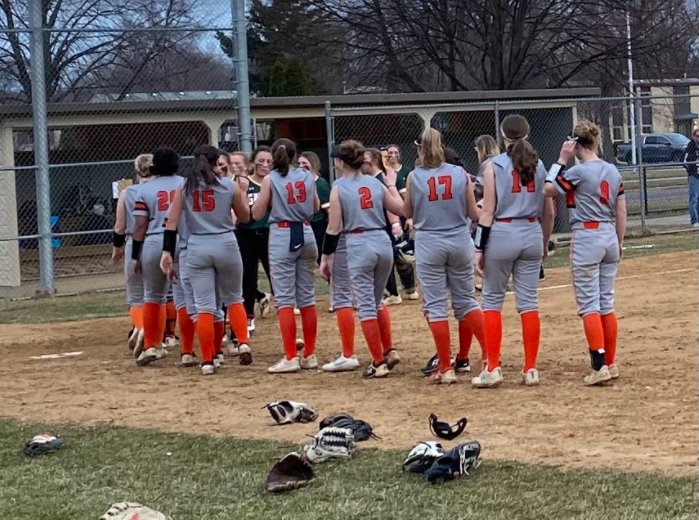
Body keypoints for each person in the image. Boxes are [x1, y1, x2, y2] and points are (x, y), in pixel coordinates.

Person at [471, 114, 555, 388]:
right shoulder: (539, 164)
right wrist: (543, 242)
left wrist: (478, 248)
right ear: (527, 134)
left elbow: (487, 212)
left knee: (493, 301)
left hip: (503, 231)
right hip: (531, 230)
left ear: (502, 135)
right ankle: (530, 368)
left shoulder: (494, 165)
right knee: (529, 303)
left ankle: (493, 367)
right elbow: (549, 210)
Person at [544, 122, 627, 385]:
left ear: (577, 145)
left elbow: (548, 189)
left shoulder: (578, 170)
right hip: (608, 234)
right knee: (606, 303)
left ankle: (598, 365)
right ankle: (610, 362)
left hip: (587, 235)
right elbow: (622, 211)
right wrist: (619, 241)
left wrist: (561, 159)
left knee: (589, 305)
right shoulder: (612, 170)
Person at [160, 145, 251, 376]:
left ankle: (208, 360)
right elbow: (244, 216)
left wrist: (167, 252)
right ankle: (242, 341)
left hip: (197, 244)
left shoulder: (185, 187)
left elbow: (171, 222)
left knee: (204, 307)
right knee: (234, 298)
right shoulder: (228, 185)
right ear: (215, 162)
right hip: (225, 241)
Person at [405, 132, 487, 384]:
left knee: (436, 306)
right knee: (466, 301)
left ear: (420, 149)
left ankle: (446, 367)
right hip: (459, 240)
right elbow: (473, 213)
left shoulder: (413, 176)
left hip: (429, 241)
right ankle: (489, 356)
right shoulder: (459, 174)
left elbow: (407, 211)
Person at [320, 140, 404, 379]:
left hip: (358, 242)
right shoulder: (375, 183)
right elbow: (399, 209)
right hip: (382, 240)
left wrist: (326, 257)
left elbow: (334, 227)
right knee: (376, 302)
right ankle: (388, 349)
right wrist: (391, 184)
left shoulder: (339, 186)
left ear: (340, 162)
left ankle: (378, 362)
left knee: (367, 305)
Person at [251, 138, 320, 373]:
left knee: (285, 300)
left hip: (283, 233)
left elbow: (256, 212)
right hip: (306, 231)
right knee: (307, 297)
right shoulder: (306, 175)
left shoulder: (271, 179)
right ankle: (309, 354)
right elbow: (315, 207)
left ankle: (290, 355)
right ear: (294, 155)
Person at [131, 147, 183, 366]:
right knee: (184, 297)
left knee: (153, 296)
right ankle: (189, 349)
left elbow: (140, 225)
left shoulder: (145, 189)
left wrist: (135, 255)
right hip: (182, 238)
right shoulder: (186, 183)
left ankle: (153, 345)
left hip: (154, 239)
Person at [363, 148, 418, 305]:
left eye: (365, 158)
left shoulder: (383, 177)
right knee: (393, 256)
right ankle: (397, 291)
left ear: (374, 160)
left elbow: (396, 202)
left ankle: (400, 290)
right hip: (386, 222)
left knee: (395, 256)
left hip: (391, 221)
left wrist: (400, 221)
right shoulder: (373, 178)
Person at [112, 154, 153, 353]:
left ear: (136, 171)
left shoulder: (127, 193)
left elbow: (119, 227)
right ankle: (160, 336)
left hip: (132, 242)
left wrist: (116, 248)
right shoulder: (162, 189)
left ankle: (141, 326)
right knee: (159, 294)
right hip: (158, 241)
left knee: (135, 295)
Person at [236, 146, 274, 335]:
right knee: (247, 277)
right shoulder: (244, 183)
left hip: (269, 234)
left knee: (274, 274)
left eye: (269, 161)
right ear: (252, 163)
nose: (264, 165)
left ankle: (285, 312)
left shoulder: (274, 182)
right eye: (260, 161)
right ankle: (248, 316)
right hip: (247, 233)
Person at [298, 152, 331, 262]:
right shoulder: (298, 183)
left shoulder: (320, 184)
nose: (301, 165)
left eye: (304, 163)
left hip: (318, 226)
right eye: (299, 163)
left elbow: (328, 210)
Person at [684, 129, 699, 227]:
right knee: (694, 198)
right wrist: (692, 169)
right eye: (697, 136)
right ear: (693, 136)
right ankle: (694, 220)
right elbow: (684, 161)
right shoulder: (690, 146)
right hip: (694, 176)